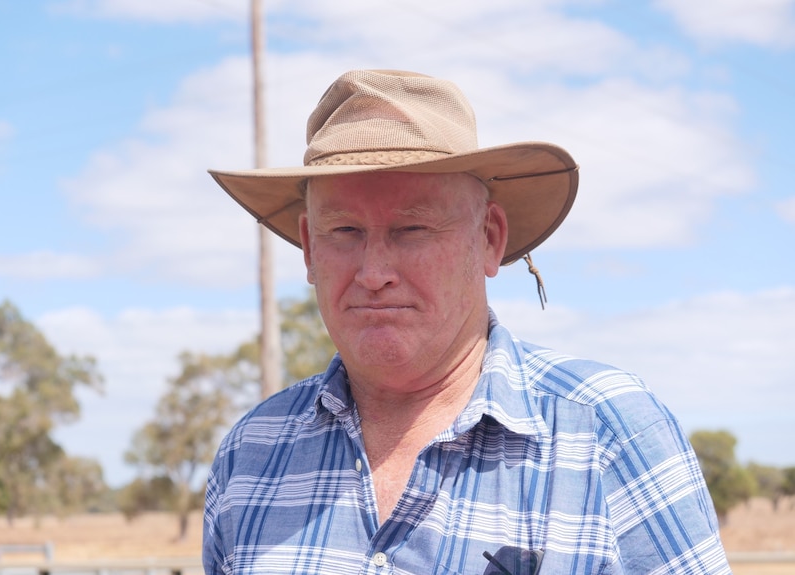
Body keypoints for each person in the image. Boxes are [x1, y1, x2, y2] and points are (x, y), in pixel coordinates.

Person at [202, 69, 730, 575]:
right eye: (343, 231)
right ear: (310, 249)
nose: (374, 272)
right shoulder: (251, 454)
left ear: (489, 239)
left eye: (412, 228)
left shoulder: (608, 434)